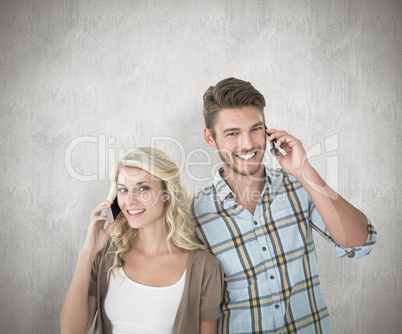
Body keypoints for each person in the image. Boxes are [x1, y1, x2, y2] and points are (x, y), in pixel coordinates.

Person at [192, 78, 377, 334]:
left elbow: (359, 244)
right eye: (233, 133)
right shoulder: (194, 214)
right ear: (210, 138)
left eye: (255, 128)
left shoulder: (300, 186)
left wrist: (304, 171)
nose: (248, 144)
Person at [61, 147, 224, 334]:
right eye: (123, 190)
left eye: (143, 188)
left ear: (167, 193)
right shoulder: (107, 256)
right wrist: (87, 253)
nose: (130, 200)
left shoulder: (204, 268)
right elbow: (70, 330)